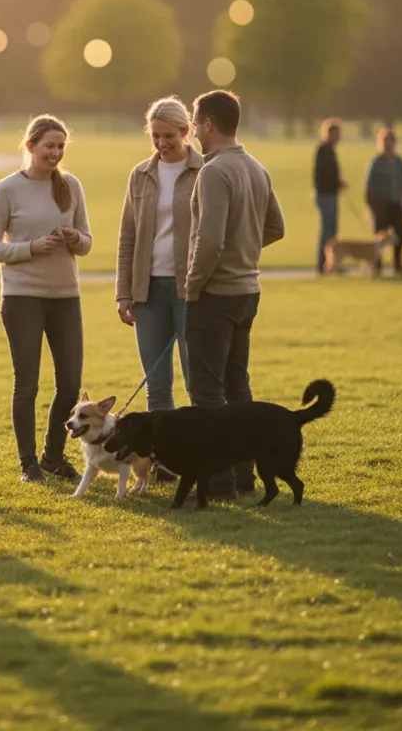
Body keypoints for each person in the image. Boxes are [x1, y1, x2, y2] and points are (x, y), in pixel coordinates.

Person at [0, 114, 93, 485]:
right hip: (22, 297)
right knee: (27, 382)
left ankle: (53, 457)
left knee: (71, 384)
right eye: (49, 146)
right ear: (30, 146)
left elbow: (88, 244)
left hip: (65, 297)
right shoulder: (7, 189)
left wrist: (73, 238)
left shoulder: (71, 186)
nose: (56, 153)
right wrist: (31, 247)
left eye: (61, 146)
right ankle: (28, 463)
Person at [184, 90, 285, 502]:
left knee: (207, 393)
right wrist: (245, 250)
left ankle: (219, 484)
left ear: (208, 124)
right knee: (238, 389)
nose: (192, 131)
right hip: (248, 292)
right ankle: (244, 476)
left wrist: (192, 285)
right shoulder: (256, 168)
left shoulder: (213, 172)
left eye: (194, 123)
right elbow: (276, 227)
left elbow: (209, 242)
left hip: (216, 294)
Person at [115, 96, 202, 416]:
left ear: (186, 131)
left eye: (168, 136)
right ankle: (162, 463)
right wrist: (123, 293)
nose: (161, 143)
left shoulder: (205, 171)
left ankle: (203, 461)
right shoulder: (140, 175)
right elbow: (128, 237)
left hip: (192, 292)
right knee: (157, 386)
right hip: (147, 292)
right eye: (155, 136)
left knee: (198, 383)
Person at [365, 128, 402, 276]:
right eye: (385, 144)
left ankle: (398, 264)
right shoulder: (376, 163)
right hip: (381, 204)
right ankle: (377, 266)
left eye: (390, 144)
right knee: (380, 237)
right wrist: (372, 206)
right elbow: (369, 186)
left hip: (397, 203)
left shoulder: (399, 162)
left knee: (400, 236)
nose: (388, 147)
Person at [313, 118, 346, 274]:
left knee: (332, 230)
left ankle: (333, 264)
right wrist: (337, 182)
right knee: (328, 231)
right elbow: (324, 174)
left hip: (330, 194)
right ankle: (323, 264)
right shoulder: (324, 150)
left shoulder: (329, 149)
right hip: (326, 194)